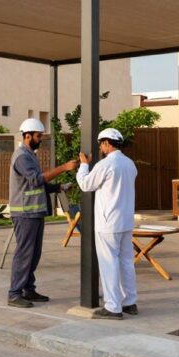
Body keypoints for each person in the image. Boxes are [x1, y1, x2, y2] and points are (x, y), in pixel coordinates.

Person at [7, 117, 78, 308]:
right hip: (24, 214)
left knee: (34, 254)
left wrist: (59, 188)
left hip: (35, 212)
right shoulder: (21, 156)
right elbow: (35, 180)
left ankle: (28, 290)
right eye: (38, 136)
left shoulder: (31, 155)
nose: (41, 139)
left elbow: (40, 184)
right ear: (27, 135)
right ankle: (14, 294)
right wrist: (64, 168)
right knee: (24, 254)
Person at [77, 128, 138, 319]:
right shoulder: (130, 164)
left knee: (108, 263)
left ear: (106, 143)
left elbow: (86, 184)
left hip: (108, 223)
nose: (100, 148)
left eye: (100, 144)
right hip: (126, 222)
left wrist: (83, 165)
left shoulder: (105, 165)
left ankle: (113, 307)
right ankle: (129, 302)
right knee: (127, 262)